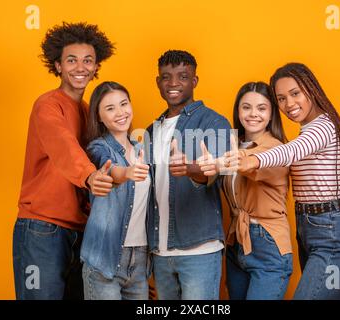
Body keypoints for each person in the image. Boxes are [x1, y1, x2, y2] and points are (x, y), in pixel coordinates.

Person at [236, 63, 340, 300]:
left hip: (332, 235)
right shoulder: (308, 131)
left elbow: (291, 151)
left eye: (295, 94)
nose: (289, 104)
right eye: (281, 99)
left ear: (311, 89)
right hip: (309, 229)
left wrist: (253, 161)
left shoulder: (323, 127)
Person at [13, 22, 115, 300]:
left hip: (81, 231)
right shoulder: (47, 105)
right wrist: (91, 176)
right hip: (42, 229)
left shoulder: (89, 111)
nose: (80, 67)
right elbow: (63, 145)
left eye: (88, 61)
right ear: (58, 66)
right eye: (71, 60)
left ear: (96, 67)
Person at [144, 50, 232, 300]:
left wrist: (193, 169)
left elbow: (215, 171)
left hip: (199, 250)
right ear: (158, 82)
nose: (173, 83)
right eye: (166, 77)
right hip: (159, 252)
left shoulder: (214, 122)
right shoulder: (151, 130)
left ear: (194, 81)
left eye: (182, 76)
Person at [197, 81, 293, 299]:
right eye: (246, 107)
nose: (253, 114)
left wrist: (221, 162)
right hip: (237, 243)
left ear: (271, 114)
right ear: (238, 111)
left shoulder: (277, 149)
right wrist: (195, 166)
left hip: (268, 245)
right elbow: (212, 174)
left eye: (261, 108)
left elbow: (251, 163)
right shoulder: (233, 145)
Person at [80, 81, 151, 300]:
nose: (120, 113)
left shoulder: (141, 150)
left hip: (139, 261)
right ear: (99, 116)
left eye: (123, 104)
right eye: (110, 108)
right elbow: (110, 171)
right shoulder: (98, 148)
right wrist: (127, 173)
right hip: (105, 258)